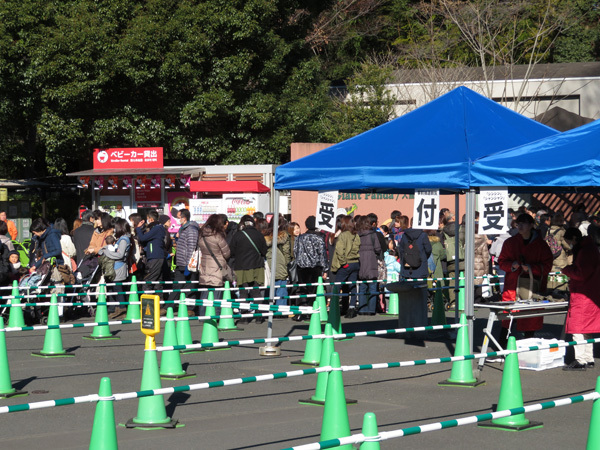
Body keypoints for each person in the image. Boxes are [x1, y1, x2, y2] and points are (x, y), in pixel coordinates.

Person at [497, 213, 553, 348]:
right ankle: (502, 349)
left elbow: (547, 266)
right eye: (518, 224)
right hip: (512, 287)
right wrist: (512, 266)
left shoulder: (541, 245)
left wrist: (531, 268)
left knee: (531, 318)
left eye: (523, 223)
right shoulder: (510, 242)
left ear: (532, 225)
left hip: (533, 287)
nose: (520, 226)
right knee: (508, 319)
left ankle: (528, 349)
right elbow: (502, 261)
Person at [561, 228, 600, 370]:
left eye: (568, 241)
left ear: (574, 239)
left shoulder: (584, 251)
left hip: (582, 294)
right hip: (591, 293)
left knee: (577, 328)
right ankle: (589, 358)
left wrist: (566, 270)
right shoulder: (591, 248)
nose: (569, 245)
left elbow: (581, 273)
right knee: (586, 329)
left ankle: (580, 360)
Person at [229, 215, 267, 323]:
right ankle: (259, 315)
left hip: (241, 267)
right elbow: (264, 251)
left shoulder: (238, 235)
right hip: (257, 266)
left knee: (243, 292)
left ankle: (244, 316)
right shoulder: (259, 235)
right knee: (256, 291)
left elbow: (232, 252)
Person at [293, 216, 328, 320]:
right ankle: (310, 313)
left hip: (301, 267)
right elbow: (322, 255)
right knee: (312, 290)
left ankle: (300, 313)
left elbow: (295, 252)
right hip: (315, 267)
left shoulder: (300, 237)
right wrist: (325, 269)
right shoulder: (319, 238)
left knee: (301, 290)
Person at [98, 219, 133, 318]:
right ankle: (118, 308)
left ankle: (121, 308)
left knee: (118, 289)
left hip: (119, 267)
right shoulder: (123, 239)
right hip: (117, 267)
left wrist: (106, 252)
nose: (113, 230)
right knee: (116, 289)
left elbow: (120, 255)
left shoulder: (123, 240)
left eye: (115, 227)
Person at [197, 214, 231, 312]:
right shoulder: (217, 236)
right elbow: (227, 253)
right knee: (216, 293)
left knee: (205, 292)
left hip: (205, 266)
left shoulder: (201, 235)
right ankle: (215, 315)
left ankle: (202, 314)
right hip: (217, 267)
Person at [168, 208, 200, 306]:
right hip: (181, 262)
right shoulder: (183, 229)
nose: (178, 219)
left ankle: (173, 306)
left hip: (187, 263)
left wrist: (188, 263)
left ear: (184, 218)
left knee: (187, 286)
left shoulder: (191, 229)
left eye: (179, 217)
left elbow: (191, 247)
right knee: (182, 285)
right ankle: (173, 306)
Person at [330, 215, 360, 317]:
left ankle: (334, 308)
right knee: (352, 286)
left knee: (337, 286)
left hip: (346, 264)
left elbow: (339, 251)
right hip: (355, 263)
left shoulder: (343, 235)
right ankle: (351, 308)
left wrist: (344, 264)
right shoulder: (356, 235)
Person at [356, 215, 381, 316]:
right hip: (371, 262)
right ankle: (371, 310)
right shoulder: (373, 235)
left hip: (360, 262)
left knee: (362, 287)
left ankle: (362, 309)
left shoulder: (357, 235)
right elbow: (378, 248)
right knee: (372, 287)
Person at [136, 210, 166, 291]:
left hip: (154, 257)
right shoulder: (157, 228)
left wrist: (138, 228)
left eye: (147, 219)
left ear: (151, 219)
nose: (147, 221)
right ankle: (159, 301)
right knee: (157, 281)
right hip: (157, 256)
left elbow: (143, 238)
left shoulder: (156, 229)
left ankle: (147, 300)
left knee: (149, 280)